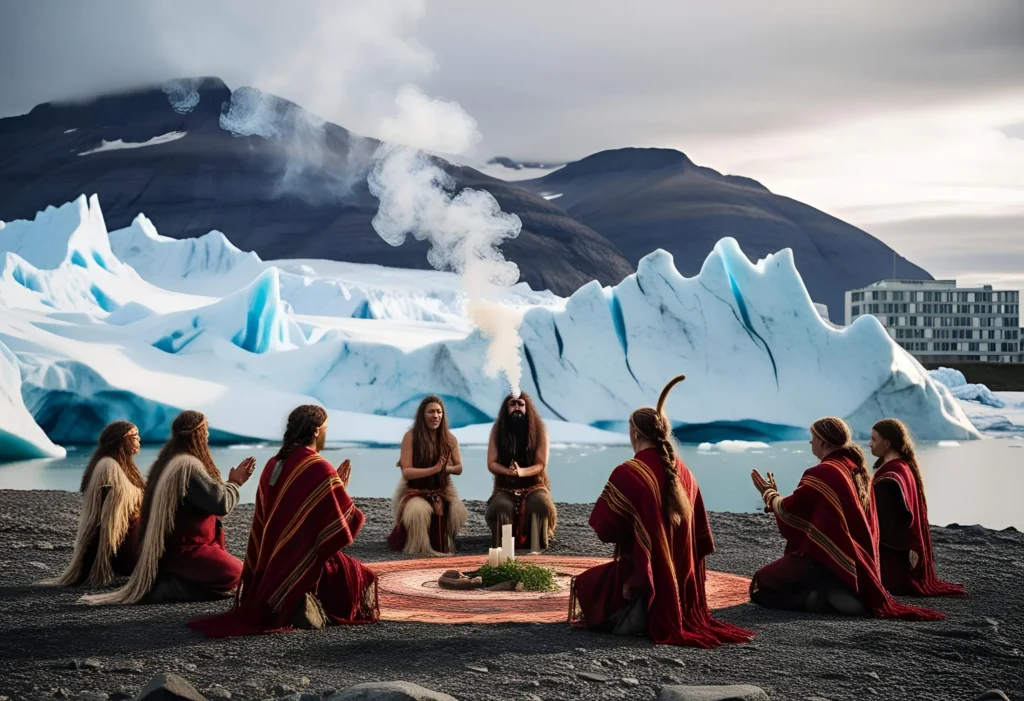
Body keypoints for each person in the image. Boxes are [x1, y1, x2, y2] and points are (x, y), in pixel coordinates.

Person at [569, 376, 754, 647]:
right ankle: (661, 608)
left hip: (643, 575)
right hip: (682, 577)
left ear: (634, 433)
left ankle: (642, 611)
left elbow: (604, 528)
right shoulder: (685, 473)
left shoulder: (630, 472)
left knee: (587, 585)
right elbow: (699, 534)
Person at [189, 405, 379, 636]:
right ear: (317, 431)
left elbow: (282, 516)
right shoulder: (318, 467)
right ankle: (300, 603)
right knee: (361, 575)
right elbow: (344, 525)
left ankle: (295, 603)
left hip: (268, 565)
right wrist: (338, 488)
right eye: (327, 429)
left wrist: (332, 488)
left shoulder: (273, 463)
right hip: (301, 562)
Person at [750, 416, 943, 620]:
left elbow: (790, 510)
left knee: (759, 585)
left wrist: (770, 494)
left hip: (825, 560)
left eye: (812, 438)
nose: (810, 443)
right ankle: (840, 589)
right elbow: (806, 507)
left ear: (823, 442)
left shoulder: (823, 472)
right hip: (860, 563)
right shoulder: (854, 467)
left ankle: (821, 597)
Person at [81, 410, 255, 605]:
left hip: (173, 549)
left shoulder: (170, 460)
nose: (207, 436)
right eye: (204, 430)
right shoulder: (186, 466)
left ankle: (180, 579)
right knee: (238, 574)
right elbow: (220, 503)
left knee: (236, 572)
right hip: (184, 550)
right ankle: (171, 586)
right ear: (196, 434)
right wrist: (235, 483)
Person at [40, 421, 145, 587]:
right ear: (120, 440)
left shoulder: (124, 465)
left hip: (126, 537)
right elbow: (119, 498)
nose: (138, 439)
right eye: (134, 435)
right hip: (119, 543)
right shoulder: (107, 465)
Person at [869, 418, 966, 597]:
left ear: (887, 443)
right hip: (901, 563)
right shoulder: (903, 467)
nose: (869, 443)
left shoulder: (891, 475)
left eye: (874, 439)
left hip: (892, 566)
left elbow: (891, 522)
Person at [387, 396, 467, 556]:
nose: (435, 416)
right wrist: (434, 469)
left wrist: (444, 469)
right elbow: (407, 472)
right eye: (431, 412)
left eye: (439, 412)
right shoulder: (411, 437)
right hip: (415, 491)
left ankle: (446, 542)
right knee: (418, 511)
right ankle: (421, 548)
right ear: (422, 415)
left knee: (457, 510)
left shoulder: (450, 439)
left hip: (442, 490)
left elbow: (459, 468)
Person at [485, 392, 556, 553]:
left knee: (541, 504)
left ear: (527, 407)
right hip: (505, 487)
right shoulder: (498, 430)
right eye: (512, 404)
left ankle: (537, 542)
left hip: (534, 484)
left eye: (520, 404)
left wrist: (522, 472)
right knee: (500, 507)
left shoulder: (539, 429)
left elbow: (541, 463)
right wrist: (508, 472)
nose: (516, 407)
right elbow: (491, 463)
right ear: (506, 408)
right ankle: (503, 544)